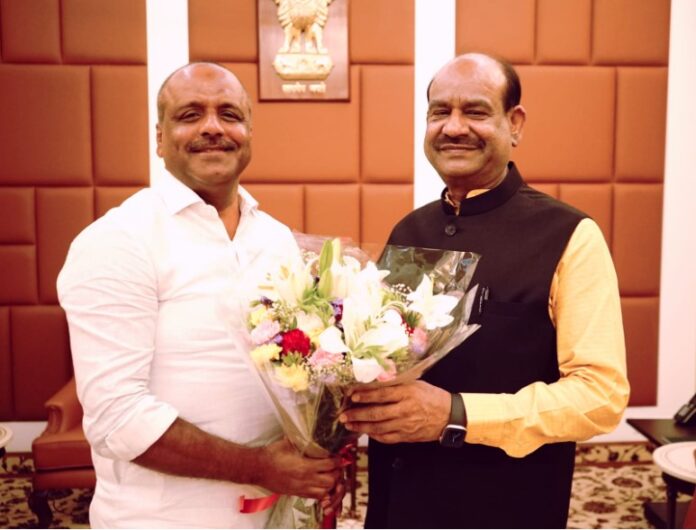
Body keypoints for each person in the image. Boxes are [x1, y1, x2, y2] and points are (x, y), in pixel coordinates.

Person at [340, 53, 630, 528]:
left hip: (506, 506)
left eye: (475, 111)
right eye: (440, 111)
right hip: (398, 505)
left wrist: (456, 414)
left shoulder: (570, 235)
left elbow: (600, 397)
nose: (454, 127)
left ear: (514, 124)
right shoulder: (409, 230)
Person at [57, 62, 343, 528]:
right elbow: (117, 417)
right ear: (159, 138)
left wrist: (320, 457)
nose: (213, 127)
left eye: (229, 114)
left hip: (277, 514)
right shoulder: (118, 240)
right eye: (190, 115)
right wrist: (259, 467)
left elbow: (302, 372)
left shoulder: (276, 239)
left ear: (249, 133)